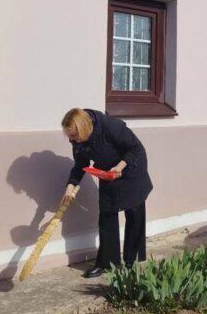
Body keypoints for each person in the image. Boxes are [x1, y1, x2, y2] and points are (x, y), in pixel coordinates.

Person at [61, 108, 153, 277]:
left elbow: (135, 148)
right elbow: (80, 164)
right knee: (106, 215)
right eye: (69, 136)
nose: (71, 139)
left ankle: (132, 262)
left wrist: (120, 167)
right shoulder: (77, 141)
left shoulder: (110, 126)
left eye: (73, 135)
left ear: (84, 129)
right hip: (107, 172)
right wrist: (70, 185)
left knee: (134, 213)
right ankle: (107, 263)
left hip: (131, 168)